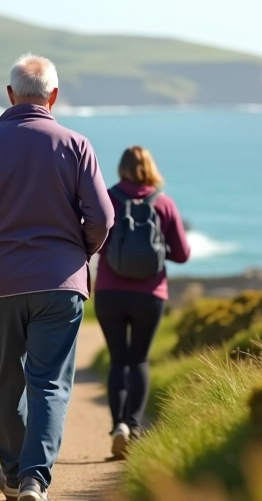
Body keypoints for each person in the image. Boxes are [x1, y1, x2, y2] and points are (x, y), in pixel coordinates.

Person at [0, 54, 115, 501]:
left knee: (8, 380)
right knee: (49, 382)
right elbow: (102, 217)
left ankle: (13, 474)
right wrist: (80, 251)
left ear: (11, 94)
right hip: (60, 283)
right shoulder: (76, 144)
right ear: (53, 96)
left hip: (0, 283)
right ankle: (36, 478)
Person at [94, 146, 191, 458]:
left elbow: (93, 240)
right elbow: (182, 254)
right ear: (151, 168)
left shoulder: (107, 198)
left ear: (121, 168)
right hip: (150, 294)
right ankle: (133, 426)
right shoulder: (163, 203)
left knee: (118, 359)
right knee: (139, 360)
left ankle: (117, 425)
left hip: (110, 292)